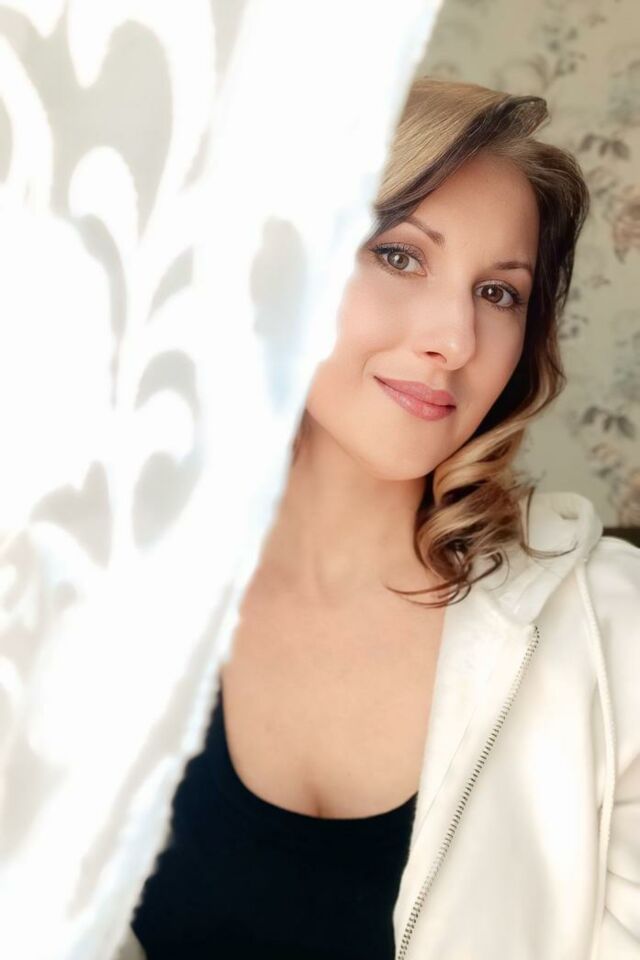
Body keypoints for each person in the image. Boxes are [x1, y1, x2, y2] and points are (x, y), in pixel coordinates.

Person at [122, 77, 640, 959]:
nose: (455, 339)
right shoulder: (88, 589)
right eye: (399, 256)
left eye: (499, 293)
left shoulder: (612, 631)